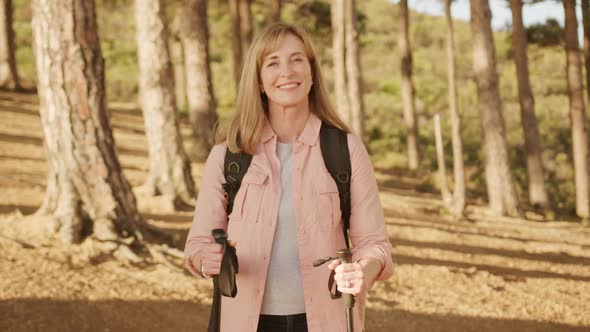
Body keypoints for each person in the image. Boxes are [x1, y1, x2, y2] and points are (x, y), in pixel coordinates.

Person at [184, 23, 393, 332]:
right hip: (244, 323)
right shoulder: (228, 156)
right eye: (273, 62)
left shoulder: (345, 150)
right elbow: (198, 243)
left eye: (297, 59)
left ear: (311, 72)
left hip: (327, 321)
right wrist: (206, 260)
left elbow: (374, 243)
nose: (287, 71)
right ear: (258, 79)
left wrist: (364, 269)